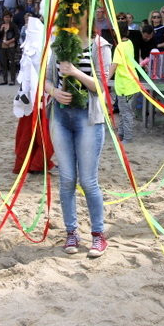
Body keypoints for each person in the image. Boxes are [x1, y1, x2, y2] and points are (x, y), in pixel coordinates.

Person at [44, 15, 111, 258]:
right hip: (61, 117)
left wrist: (74, 72)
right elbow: (48, 79)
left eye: (79, 11)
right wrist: (54, 92)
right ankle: (71, 232)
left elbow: (102, 86)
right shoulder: (59, 44)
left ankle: (97, 234)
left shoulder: (100, 46)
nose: (73, 16)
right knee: (66, 179)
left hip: (88, 118)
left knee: (88, 181)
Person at [12, 16, 54, 174]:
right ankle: (36, 163)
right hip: (37, 98)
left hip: (34, 97)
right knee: (39, 133)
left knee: (28, 133)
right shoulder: (39, 50)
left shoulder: (33, 49)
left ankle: (33, 162)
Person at [109, 22, 140, 144]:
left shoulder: (119, 47)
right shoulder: (129, 43)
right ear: (127, 32)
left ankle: (127, 137)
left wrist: (106, 79)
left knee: (126, 113)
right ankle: (121, 134)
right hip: (128, 84)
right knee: (123, 111)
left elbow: (114, 65)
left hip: (126, 86)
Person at [0, 10, 20, 86]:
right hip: (3, 45)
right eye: (5, 17)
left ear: (10, 18)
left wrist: (10, 41)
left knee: (12, 63)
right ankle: (5, 79)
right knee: (3, 63)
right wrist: (1, 29)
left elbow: (17, 35)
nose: (6, 18)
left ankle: (12, 80)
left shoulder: (13, 25)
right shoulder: (1, 24)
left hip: (11, 45)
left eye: (8, 17)